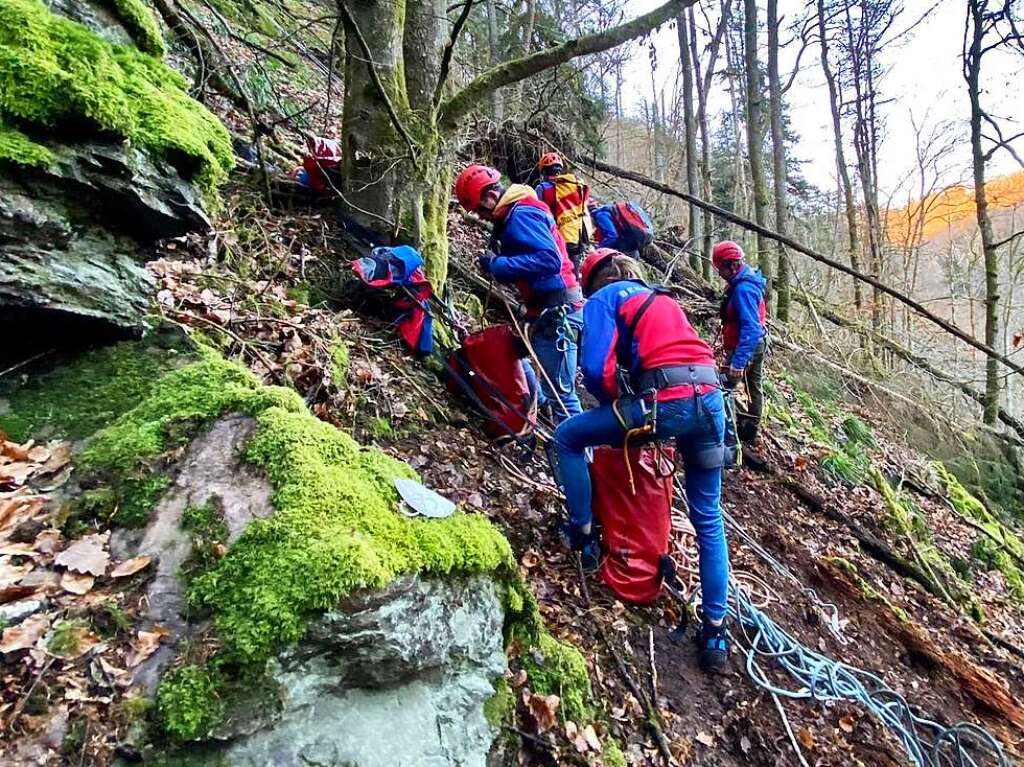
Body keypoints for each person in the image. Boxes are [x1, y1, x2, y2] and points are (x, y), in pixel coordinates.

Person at [553, 248, 731, 672]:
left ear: (595, 277)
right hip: (711, 403)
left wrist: (615, 409)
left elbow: (597, 372)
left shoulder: (603, 299)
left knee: (568, 437)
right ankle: (715, 631)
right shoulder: (662, 297)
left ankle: (581, 533)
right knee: (708, 516)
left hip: (662, 404)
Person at [454, 164, 584, 422]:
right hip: (547, 311)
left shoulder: (521, 214)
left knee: (562, 395)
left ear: (489, 196)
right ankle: (538, 412)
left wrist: (498, 265)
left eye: (479, 210)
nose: (481, 217)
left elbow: (549, 260)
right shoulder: (517, 213)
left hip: (558, 313)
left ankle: (580, 457)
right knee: (512, 353)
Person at [712, 241, 767, 446]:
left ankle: (730, 435)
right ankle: (750, 432)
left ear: (732, 265)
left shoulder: (743, 289)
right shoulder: (746, 280)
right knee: (754, 388)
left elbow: (751, 328)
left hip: (748, 347)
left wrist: (738, 362)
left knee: (723, 386)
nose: (719, 274)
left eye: (721, 269)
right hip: (754, 344)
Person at [534, 153, 592, 273]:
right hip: (576, 236)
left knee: (558, 267)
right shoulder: (575, 186)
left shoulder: (542, 188)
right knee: (573, 269)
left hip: (554, 235)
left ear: (544, 172)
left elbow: (536, 212)